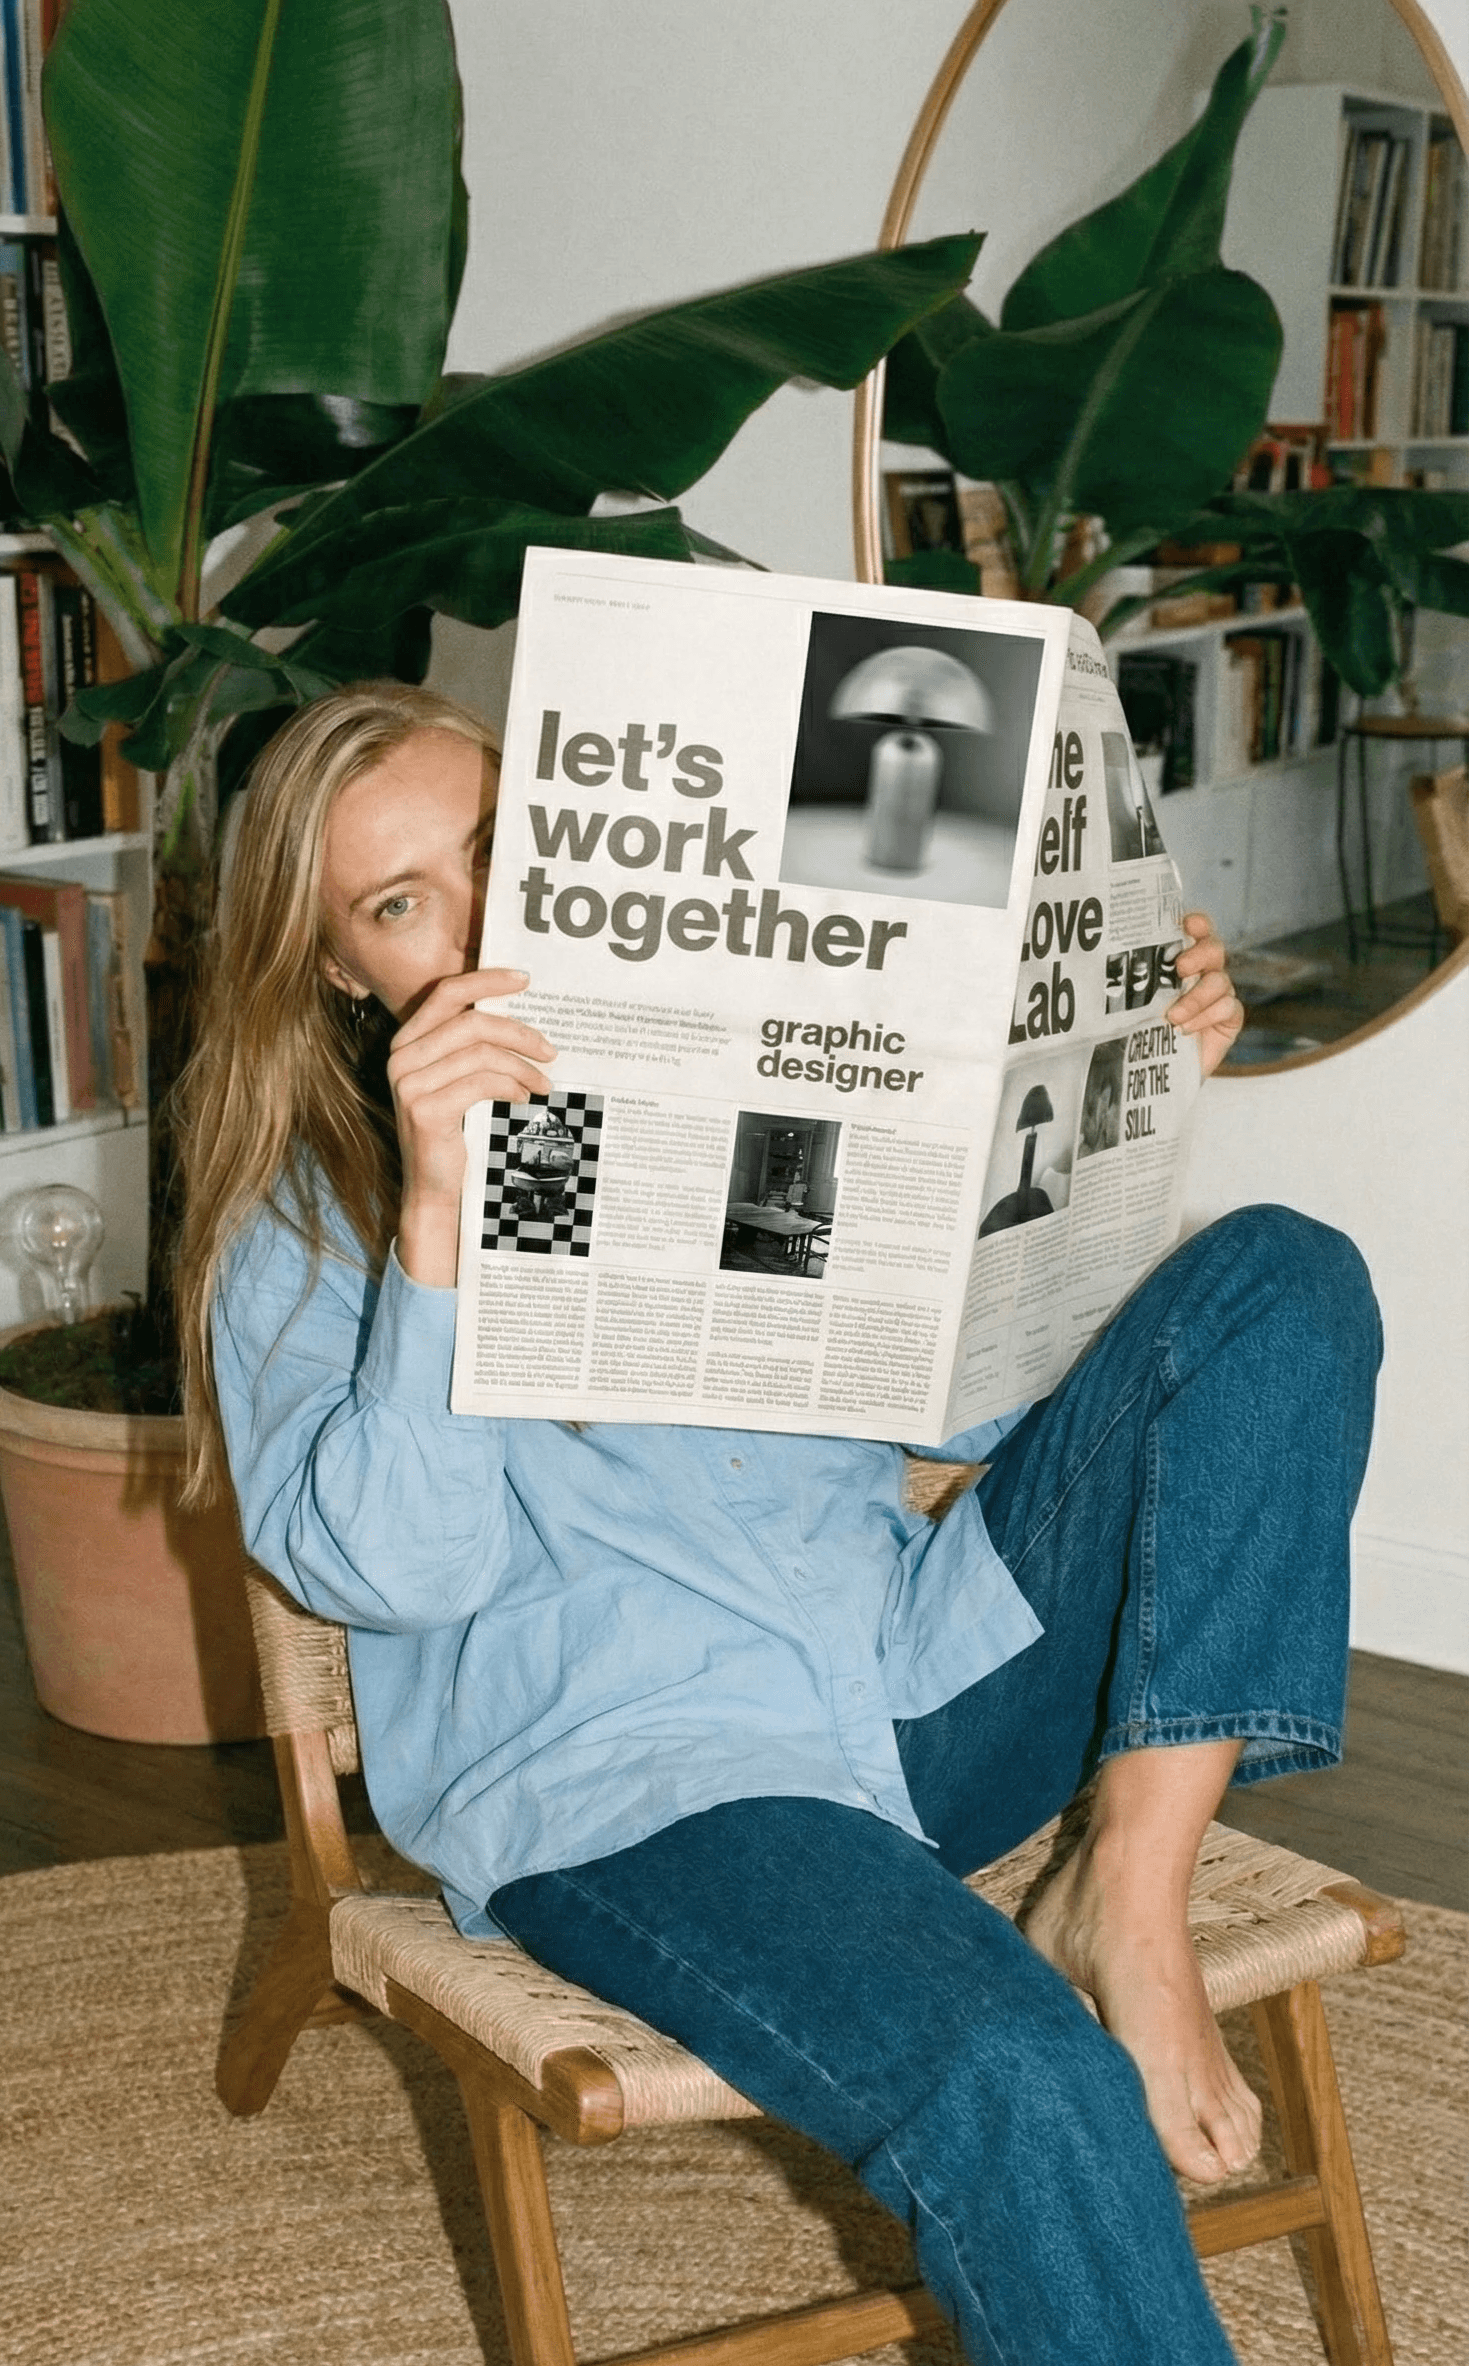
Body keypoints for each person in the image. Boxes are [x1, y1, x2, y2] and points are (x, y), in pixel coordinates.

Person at [178, 682, 1381, 2366]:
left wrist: (1129, 1084)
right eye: (398, 904)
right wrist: (441, 1213)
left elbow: (970, 1405)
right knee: (1017, 2073)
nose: (470, 923)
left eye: (492, 846)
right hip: (637, 1782)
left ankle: (1134, 1878)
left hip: (901, 1682)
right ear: (335, 971)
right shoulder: (308, 1222)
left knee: (1284, 1283)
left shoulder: (757, 1069)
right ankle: (1078, 1964)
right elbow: (402, 1570)